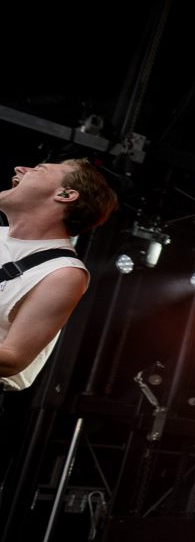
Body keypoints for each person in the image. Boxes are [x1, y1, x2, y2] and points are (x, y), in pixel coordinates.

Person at [0, 158, 118, 398]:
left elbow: (13, 359)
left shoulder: (63, 273)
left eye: (39, 169)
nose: (20, 168)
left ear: (66, 194)